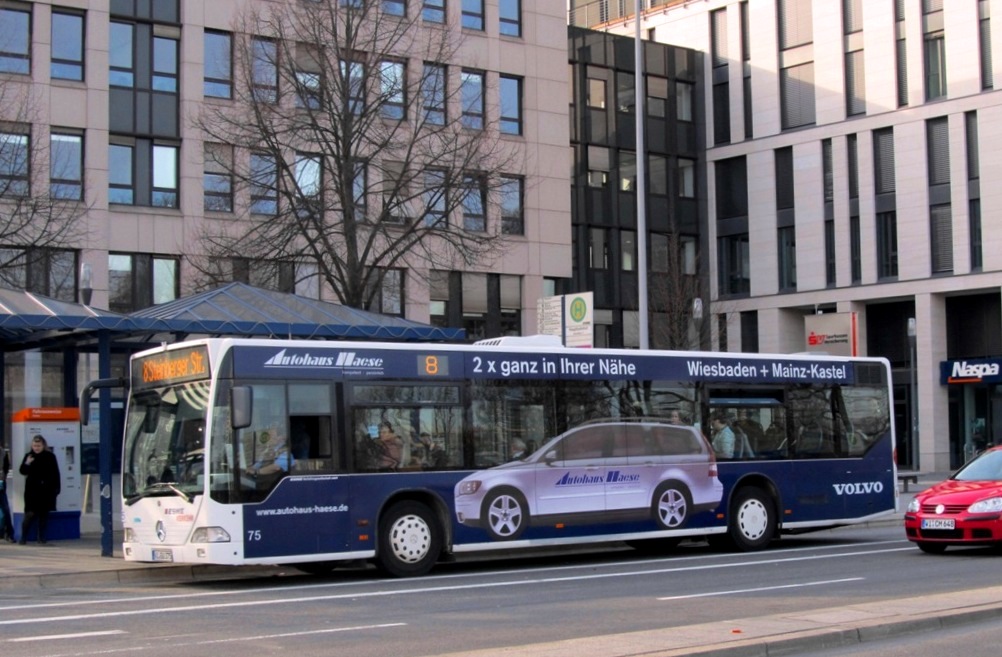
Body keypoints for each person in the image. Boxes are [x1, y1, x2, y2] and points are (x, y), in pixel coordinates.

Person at [19, 434, 61, 545]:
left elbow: (56, 473)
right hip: (32, 490)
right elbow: (22, 471)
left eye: (38, 446)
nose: (36, 448)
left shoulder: (50, 456)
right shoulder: (29, 456)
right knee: (30, 513)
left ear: (43, 445)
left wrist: (57, 489)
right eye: (34, 445)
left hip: (46, 490)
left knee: (43, 515)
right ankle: (23, 537)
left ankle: (41, 538)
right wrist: (27, 463)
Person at [0, 447, 14, 542]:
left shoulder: (2, 452)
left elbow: (6, 467)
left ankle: (9, 533)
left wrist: (3, 478)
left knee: (5, 509)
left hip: (0, 483)